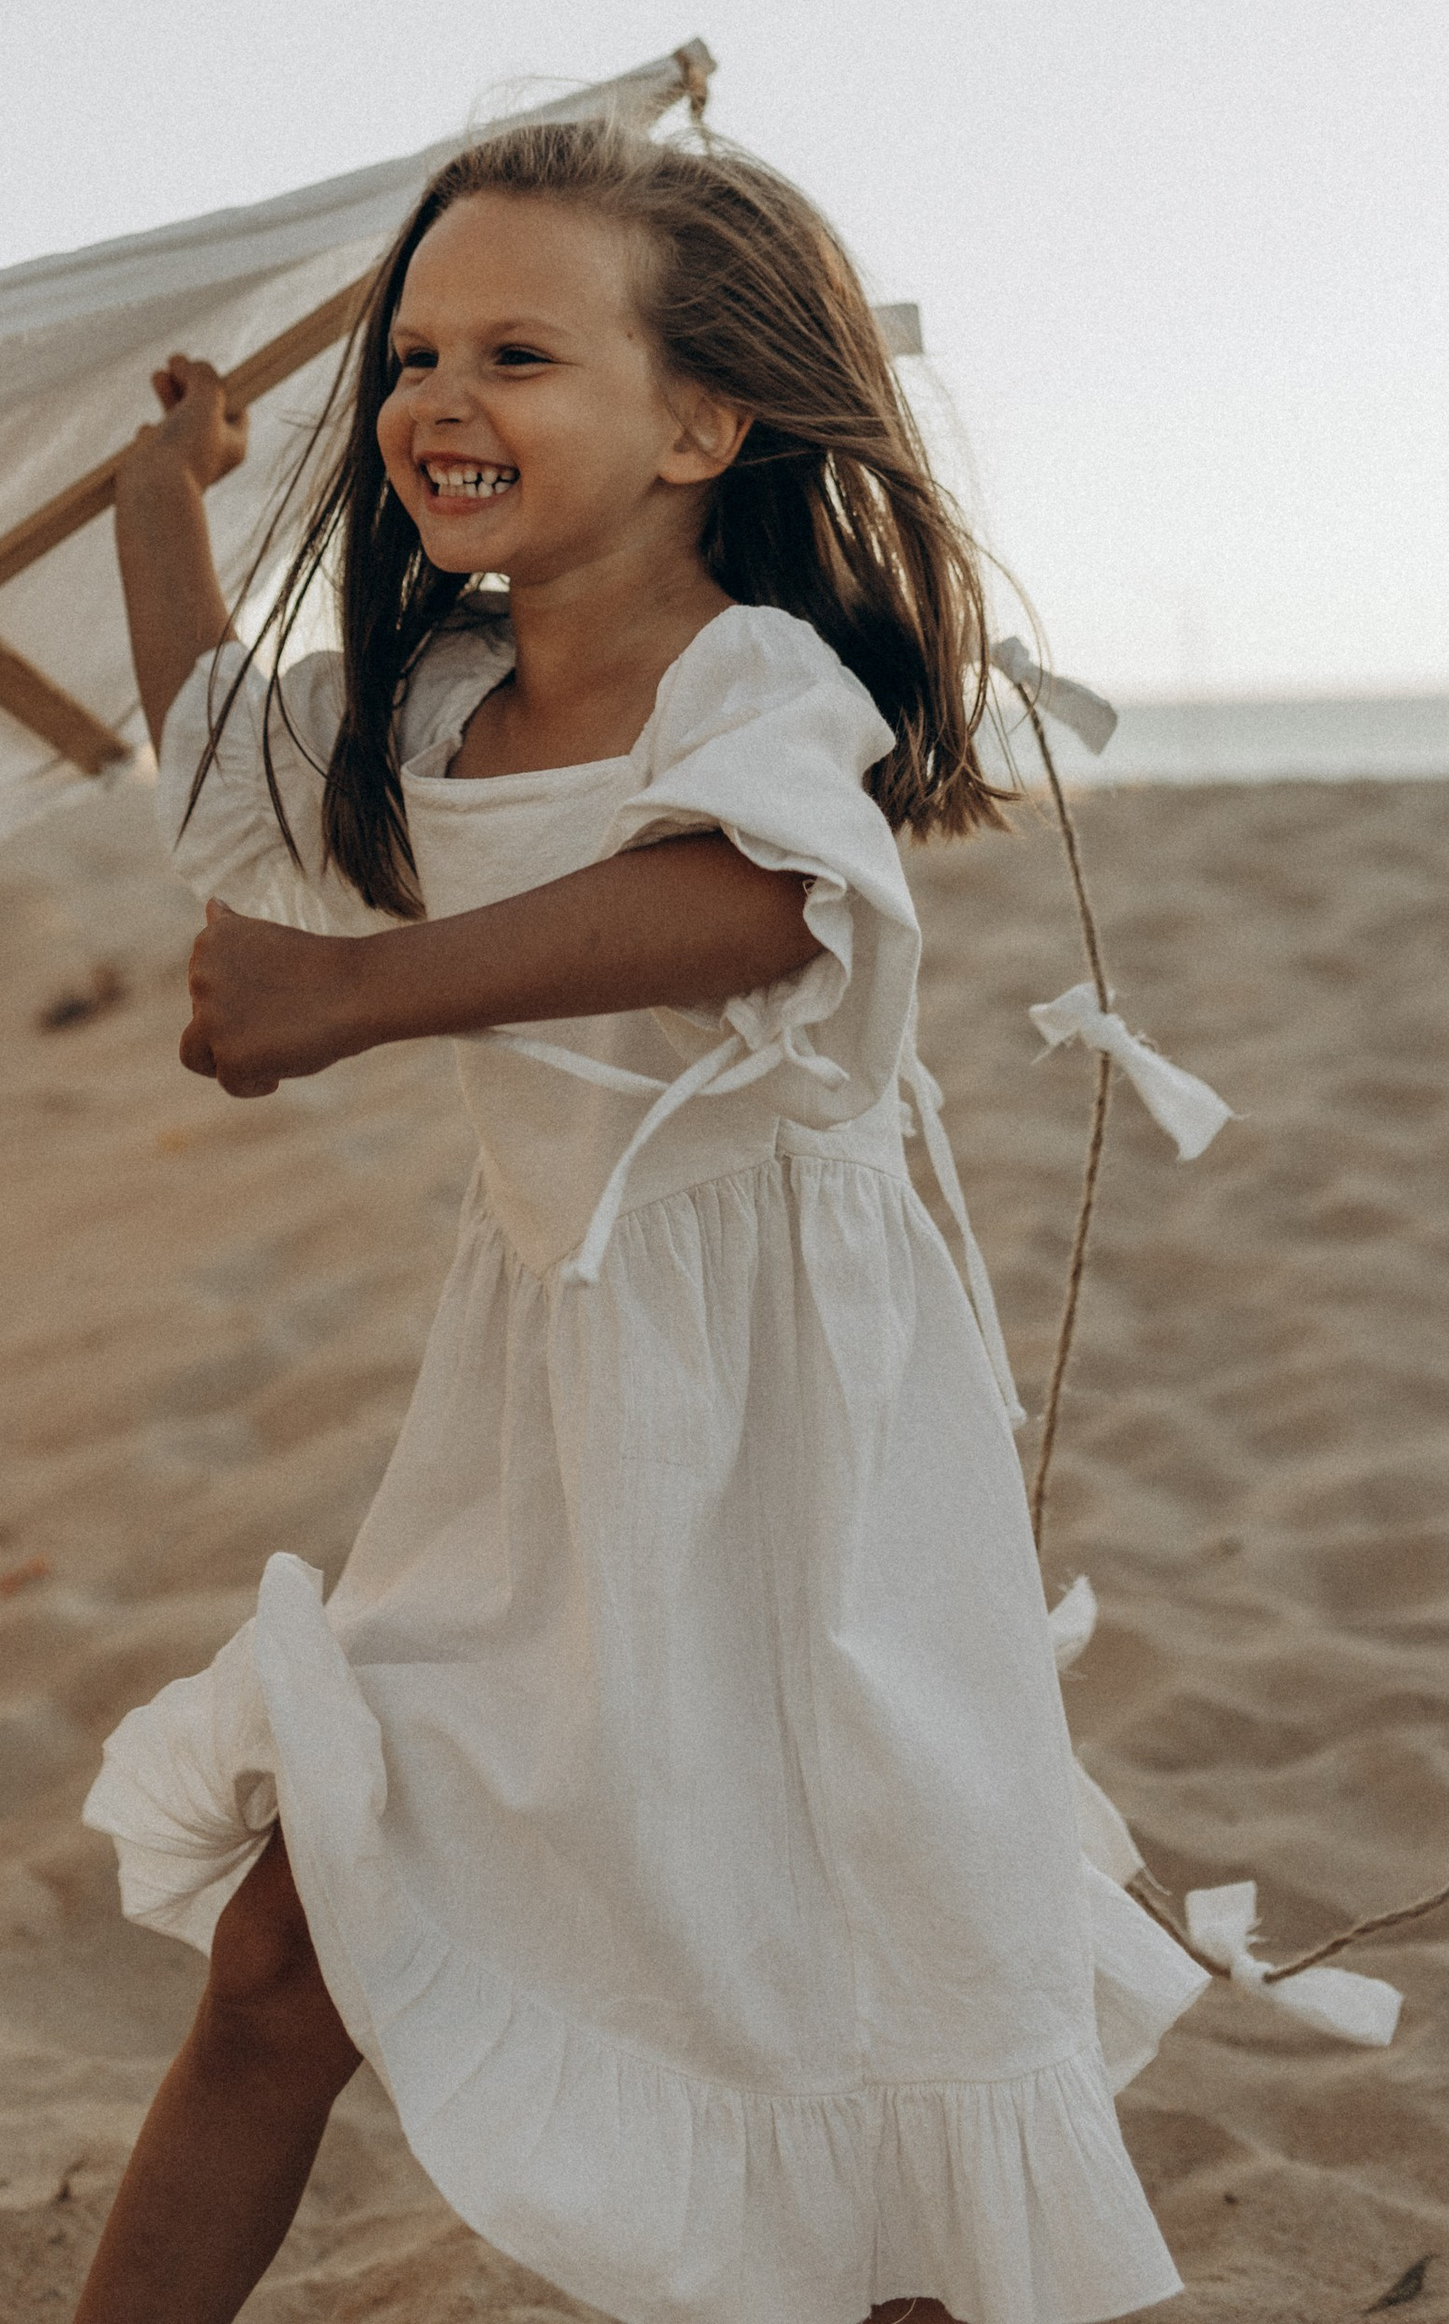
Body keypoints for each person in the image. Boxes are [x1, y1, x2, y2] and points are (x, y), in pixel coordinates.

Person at [73, 120, 1199, 2324]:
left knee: (840, 1996)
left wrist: (357, 995)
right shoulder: (430, 713)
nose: (434, 399)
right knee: (289, 1943)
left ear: (698, 422)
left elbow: (762, 898)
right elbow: (227, 780)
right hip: (541, 1436)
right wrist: (152, 507)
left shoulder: (755, 679)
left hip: (794, 1440)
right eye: (411, 352)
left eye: (516, 351)